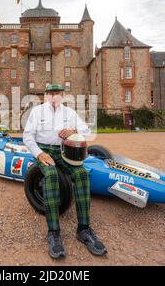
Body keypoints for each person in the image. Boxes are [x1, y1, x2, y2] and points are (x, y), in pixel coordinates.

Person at [23, 84, 107, 259]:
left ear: (62, 95)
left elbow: (88, 131)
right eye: (51, 93)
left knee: (82, 174)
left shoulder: (69, 113)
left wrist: (74, 131)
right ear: (46, 96)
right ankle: (54, 232)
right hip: (44, 151)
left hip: (65, 152)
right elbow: (27, 136)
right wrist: (39, 154)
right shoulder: (37, 112)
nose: (54, 97)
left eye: (57, 93)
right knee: (52, 176)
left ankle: (84, 229)